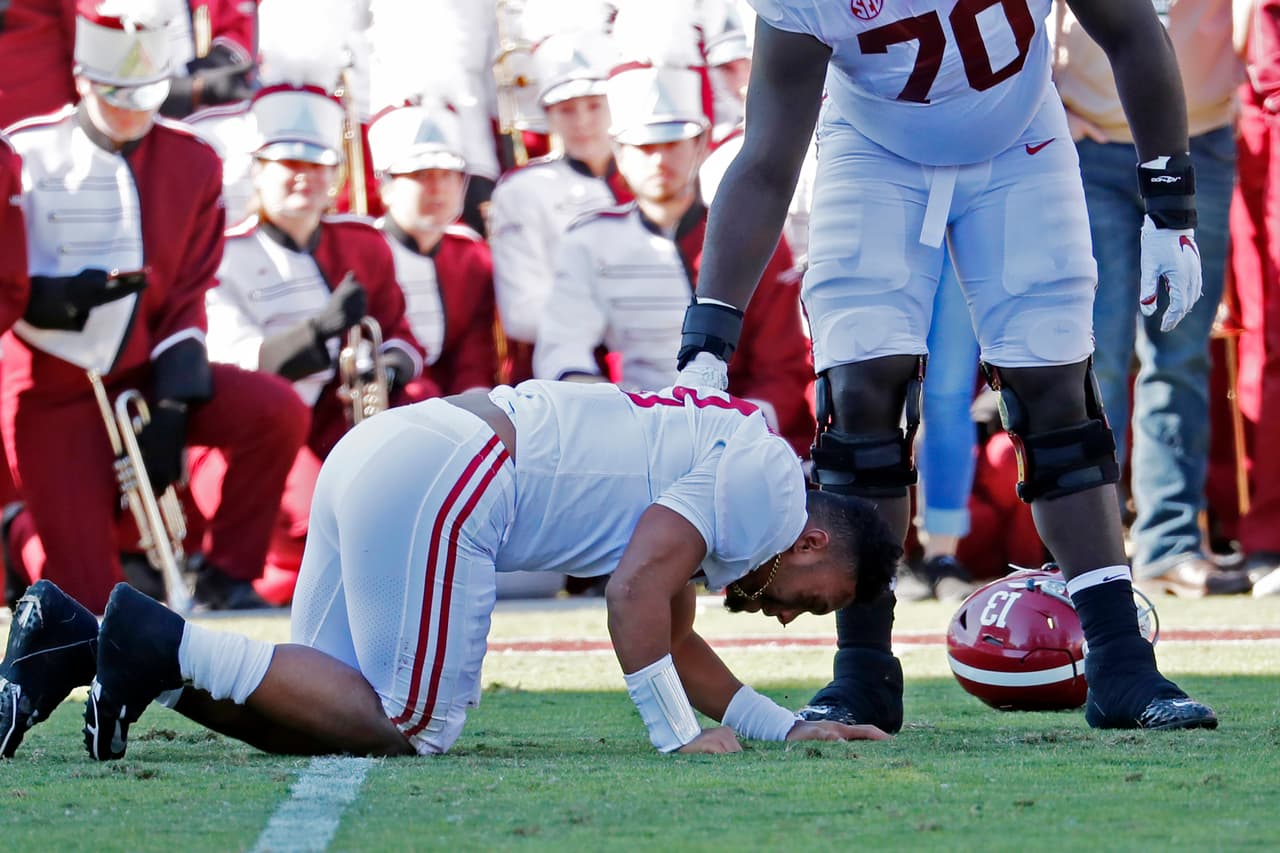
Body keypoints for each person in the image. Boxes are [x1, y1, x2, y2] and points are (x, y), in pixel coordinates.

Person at [674, 0, 1217, 731]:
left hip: (1020, 133)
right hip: (873, 147)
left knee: (1054, 389)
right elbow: (768, 160)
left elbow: (1130, 30)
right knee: (860, 395)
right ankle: (862, 670)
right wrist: (707, 340)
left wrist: (1169, 203)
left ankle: (1121, 661)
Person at [0, 381, 899, 760]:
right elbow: (632, 593)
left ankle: (79, 643)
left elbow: (669, 630)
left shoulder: (748, 469)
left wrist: (783, 728)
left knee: (326, 712)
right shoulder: (774, 489)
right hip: (457, 474)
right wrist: (675, 735)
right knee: (414, 724)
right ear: (815, 544)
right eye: (818, 607)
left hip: (396, 449)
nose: (792, 621)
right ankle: (149, 640)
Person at [1, 0, 307, 614]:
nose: (133, 112)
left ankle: (226, 572)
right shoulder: (22, 152)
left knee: (275, 410)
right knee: (87, 605)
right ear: (84, 80)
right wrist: (46, 301)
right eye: (118, 93)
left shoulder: (194, 160)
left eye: (147, 95)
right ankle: (17, 537)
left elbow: (190, 294)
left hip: (147, 371)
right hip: (54, 388)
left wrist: (172, 403)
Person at [1053, 0, 1252, 598]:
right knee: (1095, 357)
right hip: (1092, 145)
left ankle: (1170, 543)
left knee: (1181, 351)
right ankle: (1097, 555)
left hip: (1201, 141)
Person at [205, 80, 427, 605]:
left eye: (317, 165)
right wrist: (321, 328)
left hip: (338, 418)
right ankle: (227, 572)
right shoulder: (226, 252)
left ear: (335, 175)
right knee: (314, 529)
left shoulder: (362, 241)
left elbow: (403, 337)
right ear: (258, 172)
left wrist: (386, 371)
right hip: (253, 438)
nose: (303, 177)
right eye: (287, 165)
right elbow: (246, 366)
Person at [535, 50, 816, 457]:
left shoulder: (754, 236)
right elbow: (564, 351)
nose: (660, 159)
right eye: (643, 146)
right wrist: (617, 418)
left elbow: (782, 367)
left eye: (672, 143)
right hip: (624, 437)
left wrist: (724, 431)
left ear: (700, 143)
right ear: (618, 150)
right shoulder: (587, 240)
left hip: (733, 438)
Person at [487, 27, 629, 384]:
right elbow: (521, 312)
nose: (583, 122)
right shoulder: (523, 191)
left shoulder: (648, 176)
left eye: (594, 105)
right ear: (549, 115)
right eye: (566, 109)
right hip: (566, 374)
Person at [368, 100, 498, 398]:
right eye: (421, 176)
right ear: (386, 187)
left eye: (447, 175)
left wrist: (475, 400)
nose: (438, 189)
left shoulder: (471, 255)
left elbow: (474, 353)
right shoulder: (364, 253)